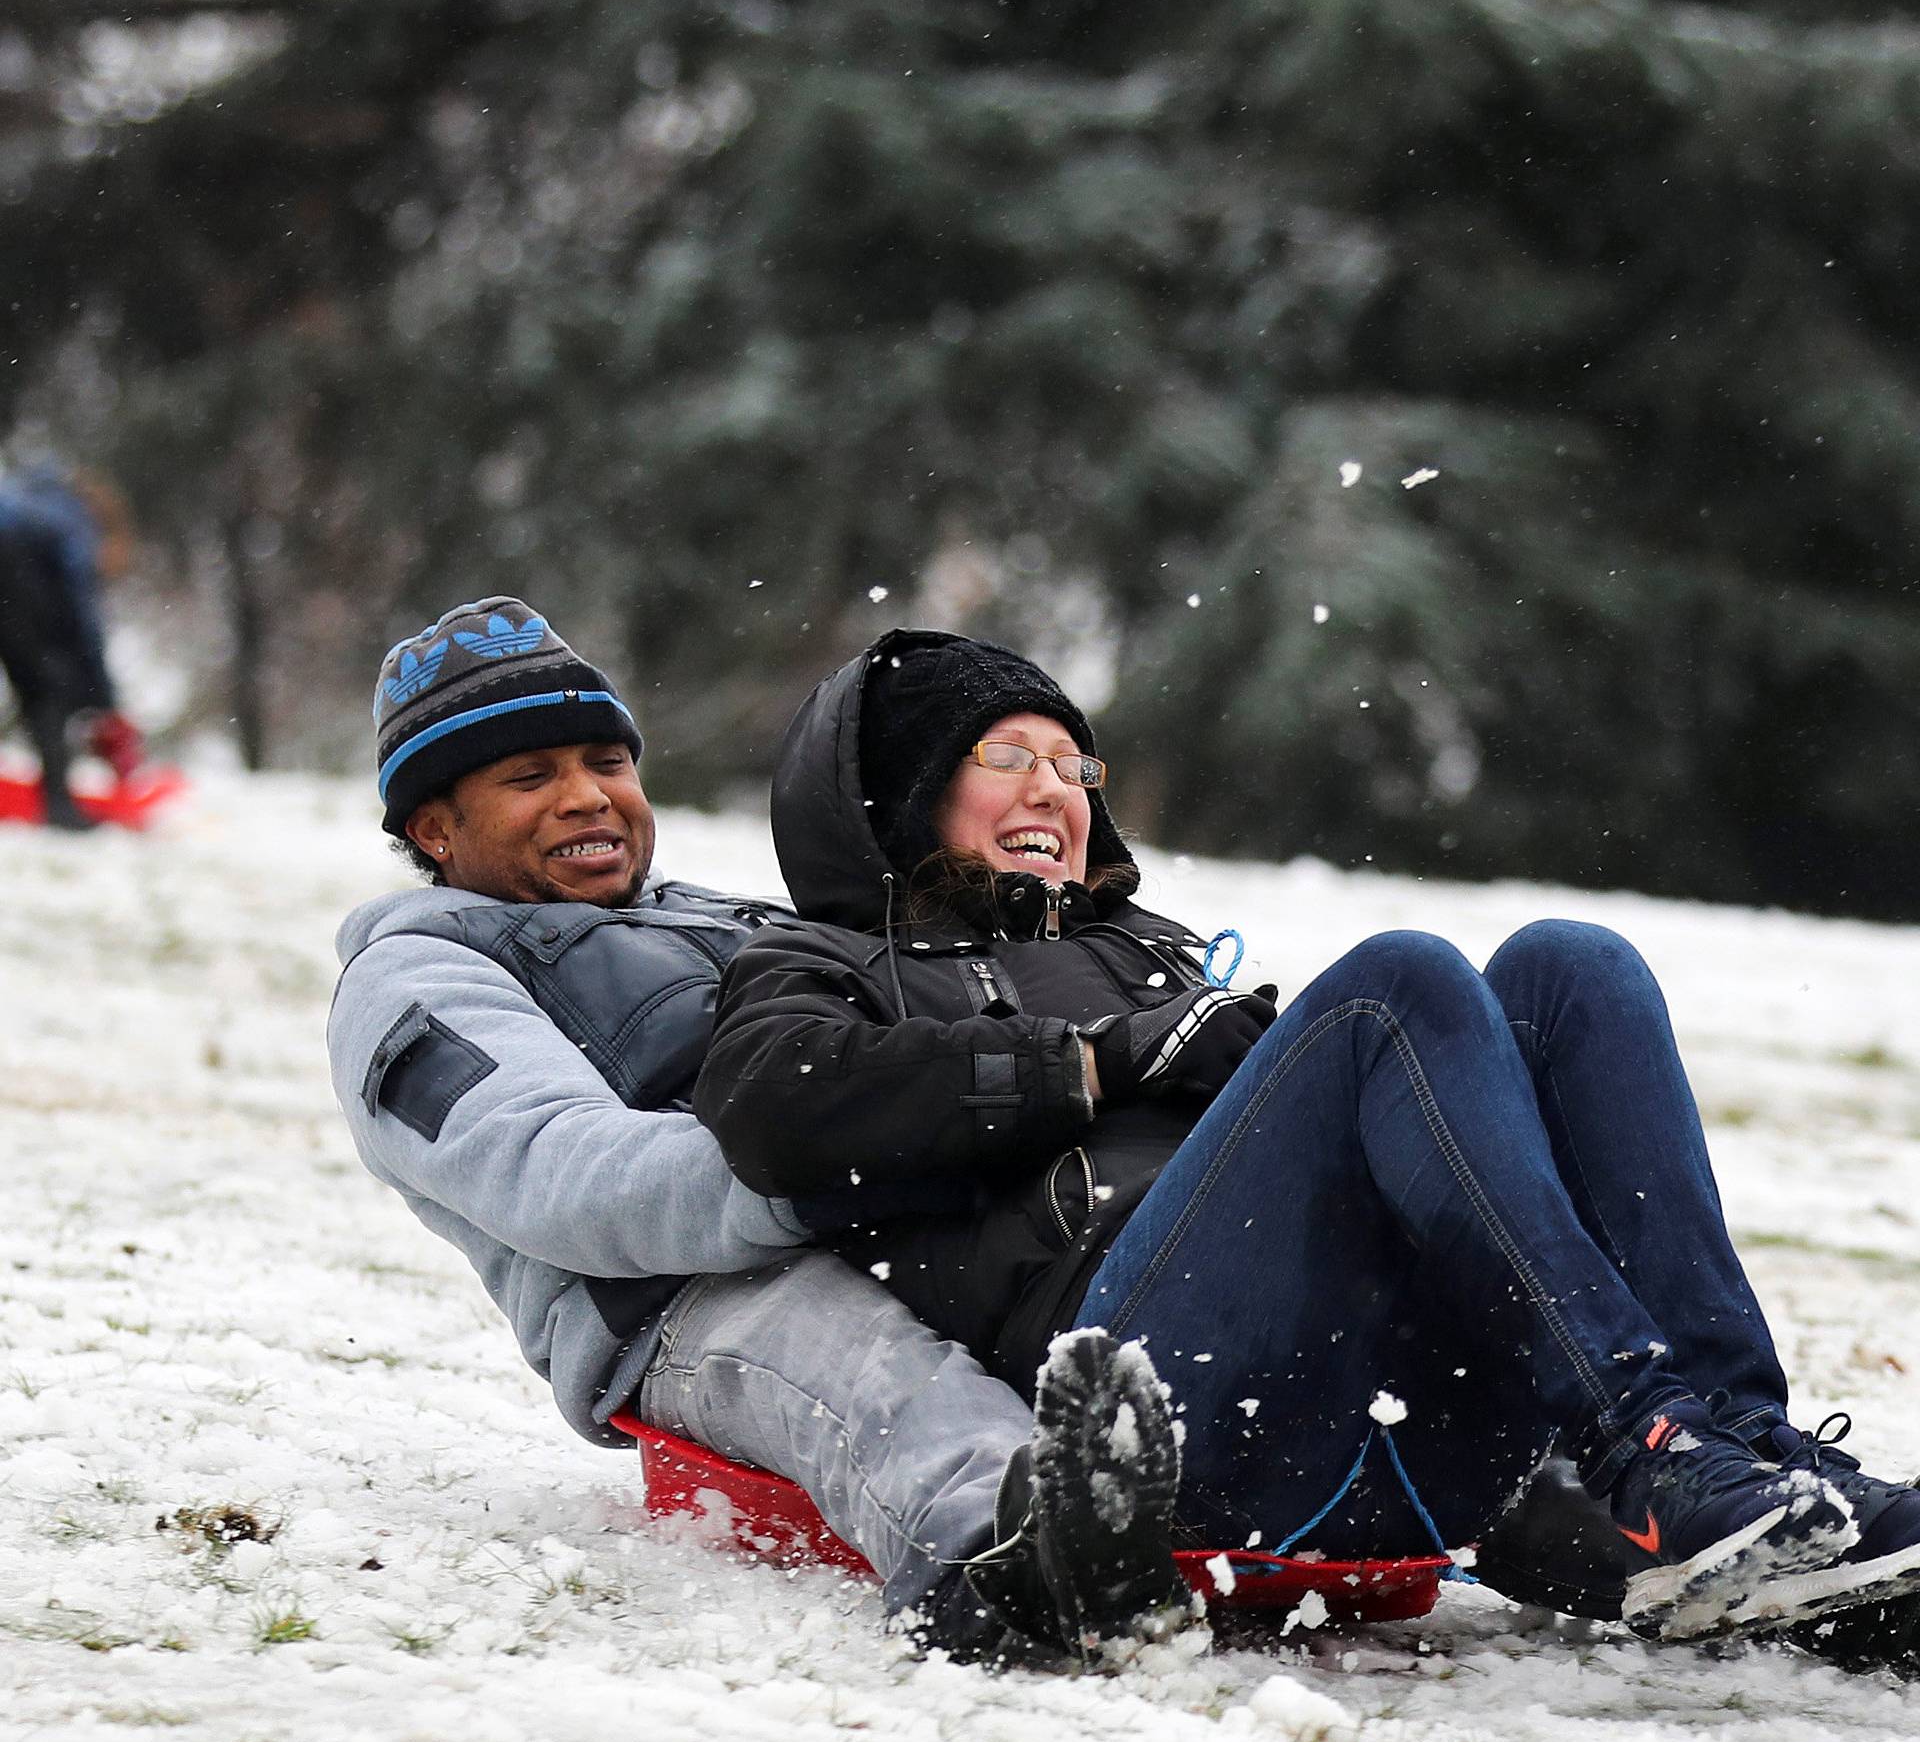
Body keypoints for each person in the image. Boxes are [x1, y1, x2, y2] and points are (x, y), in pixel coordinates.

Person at [693, 627, 1920, 1645]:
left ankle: (1745, 1464)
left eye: (1076, 767)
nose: (1055, 791)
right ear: (894, 797)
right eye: (1008, 755)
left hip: (1390, 1409)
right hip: (1163, 1416)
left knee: (1571, 968)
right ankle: (1650, 1446)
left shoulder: (1148, 950)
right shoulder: (825, 961)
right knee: (1396, 983)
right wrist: (1094, 1061)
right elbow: (773, 1107)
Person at [325, 597, 1195, 1668]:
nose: (587, 795)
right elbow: (560, 1175)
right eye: (529, 777)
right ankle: (1004, 1554)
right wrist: (832, 1165)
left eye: (606, 760)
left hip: (888, 1202)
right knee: (865, 1364)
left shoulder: (724, 914)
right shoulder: (418, 982)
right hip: (679, 1299)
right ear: (433, 827)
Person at [0, 465, 142, 829]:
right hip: (11, 569)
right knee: (47, 690)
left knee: (39, 679)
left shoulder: (32, 500)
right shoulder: (72, 523)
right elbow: (83, 618)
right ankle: (60, 809)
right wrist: (105, 699)